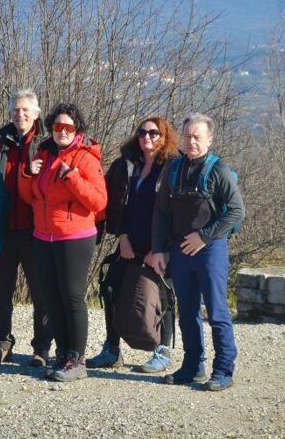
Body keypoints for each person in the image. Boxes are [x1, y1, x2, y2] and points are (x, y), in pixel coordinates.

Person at [149, 113, 244, 392]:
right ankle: (192, 367)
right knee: (187, 312)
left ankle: (224, 370)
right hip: (179, 251)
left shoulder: (219, 171)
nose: (191, 141)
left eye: (197, 137)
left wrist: (203, 237)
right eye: (187, 135)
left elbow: (237, 211)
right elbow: (161, 212)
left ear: (209, 139)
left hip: (210, 250)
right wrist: (158, 249)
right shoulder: (173, 169)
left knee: (216, 312)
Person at [20, 102, 107, 383]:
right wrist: (27, 174)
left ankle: (77, 358)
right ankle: (62, 353)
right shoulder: (44, 155)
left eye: (68, 127)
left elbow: (98, 201)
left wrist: (72, 177)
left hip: (75, 236)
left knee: (71, 296)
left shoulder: (86, 158)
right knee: (50, 297)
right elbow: (30, 196)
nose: (62, 132)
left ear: (77, 129)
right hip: (43, 236)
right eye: (57, 126)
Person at [88, 116, 179, 373]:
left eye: (153, 133)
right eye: (142, 132)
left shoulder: (173, 168)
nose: (147, 137)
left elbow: (176, 212)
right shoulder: (125, 165)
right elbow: (113, 204)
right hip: (129, 240)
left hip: (159, 244)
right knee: (111, 288)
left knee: (163, 295)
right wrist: (121, 237)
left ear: (164, 137)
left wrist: (159, 247)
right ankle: (111, 349)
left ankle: (163, 351)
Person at [0, 89, 52, 367]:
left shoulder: (46, 144)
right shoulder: (0, 144)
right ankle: (2, 343)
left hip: (35, 228)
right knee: (1, 290)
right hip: (4, 227)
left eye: (25, 110)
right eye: (15, 110)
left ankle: (42, 347)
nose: (20, 114)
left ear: (36, 113)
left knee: (41, 291)